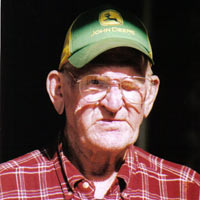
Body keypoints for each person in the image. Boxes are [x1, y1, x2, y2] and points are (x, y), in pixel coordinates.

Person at [0, 5, 200, 200]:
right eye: (95, 83)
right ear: (58, 91)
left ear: (149, 96)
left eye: (129, 85)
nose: (113, 105)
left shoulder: (185, 189)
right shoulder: (8, 188)